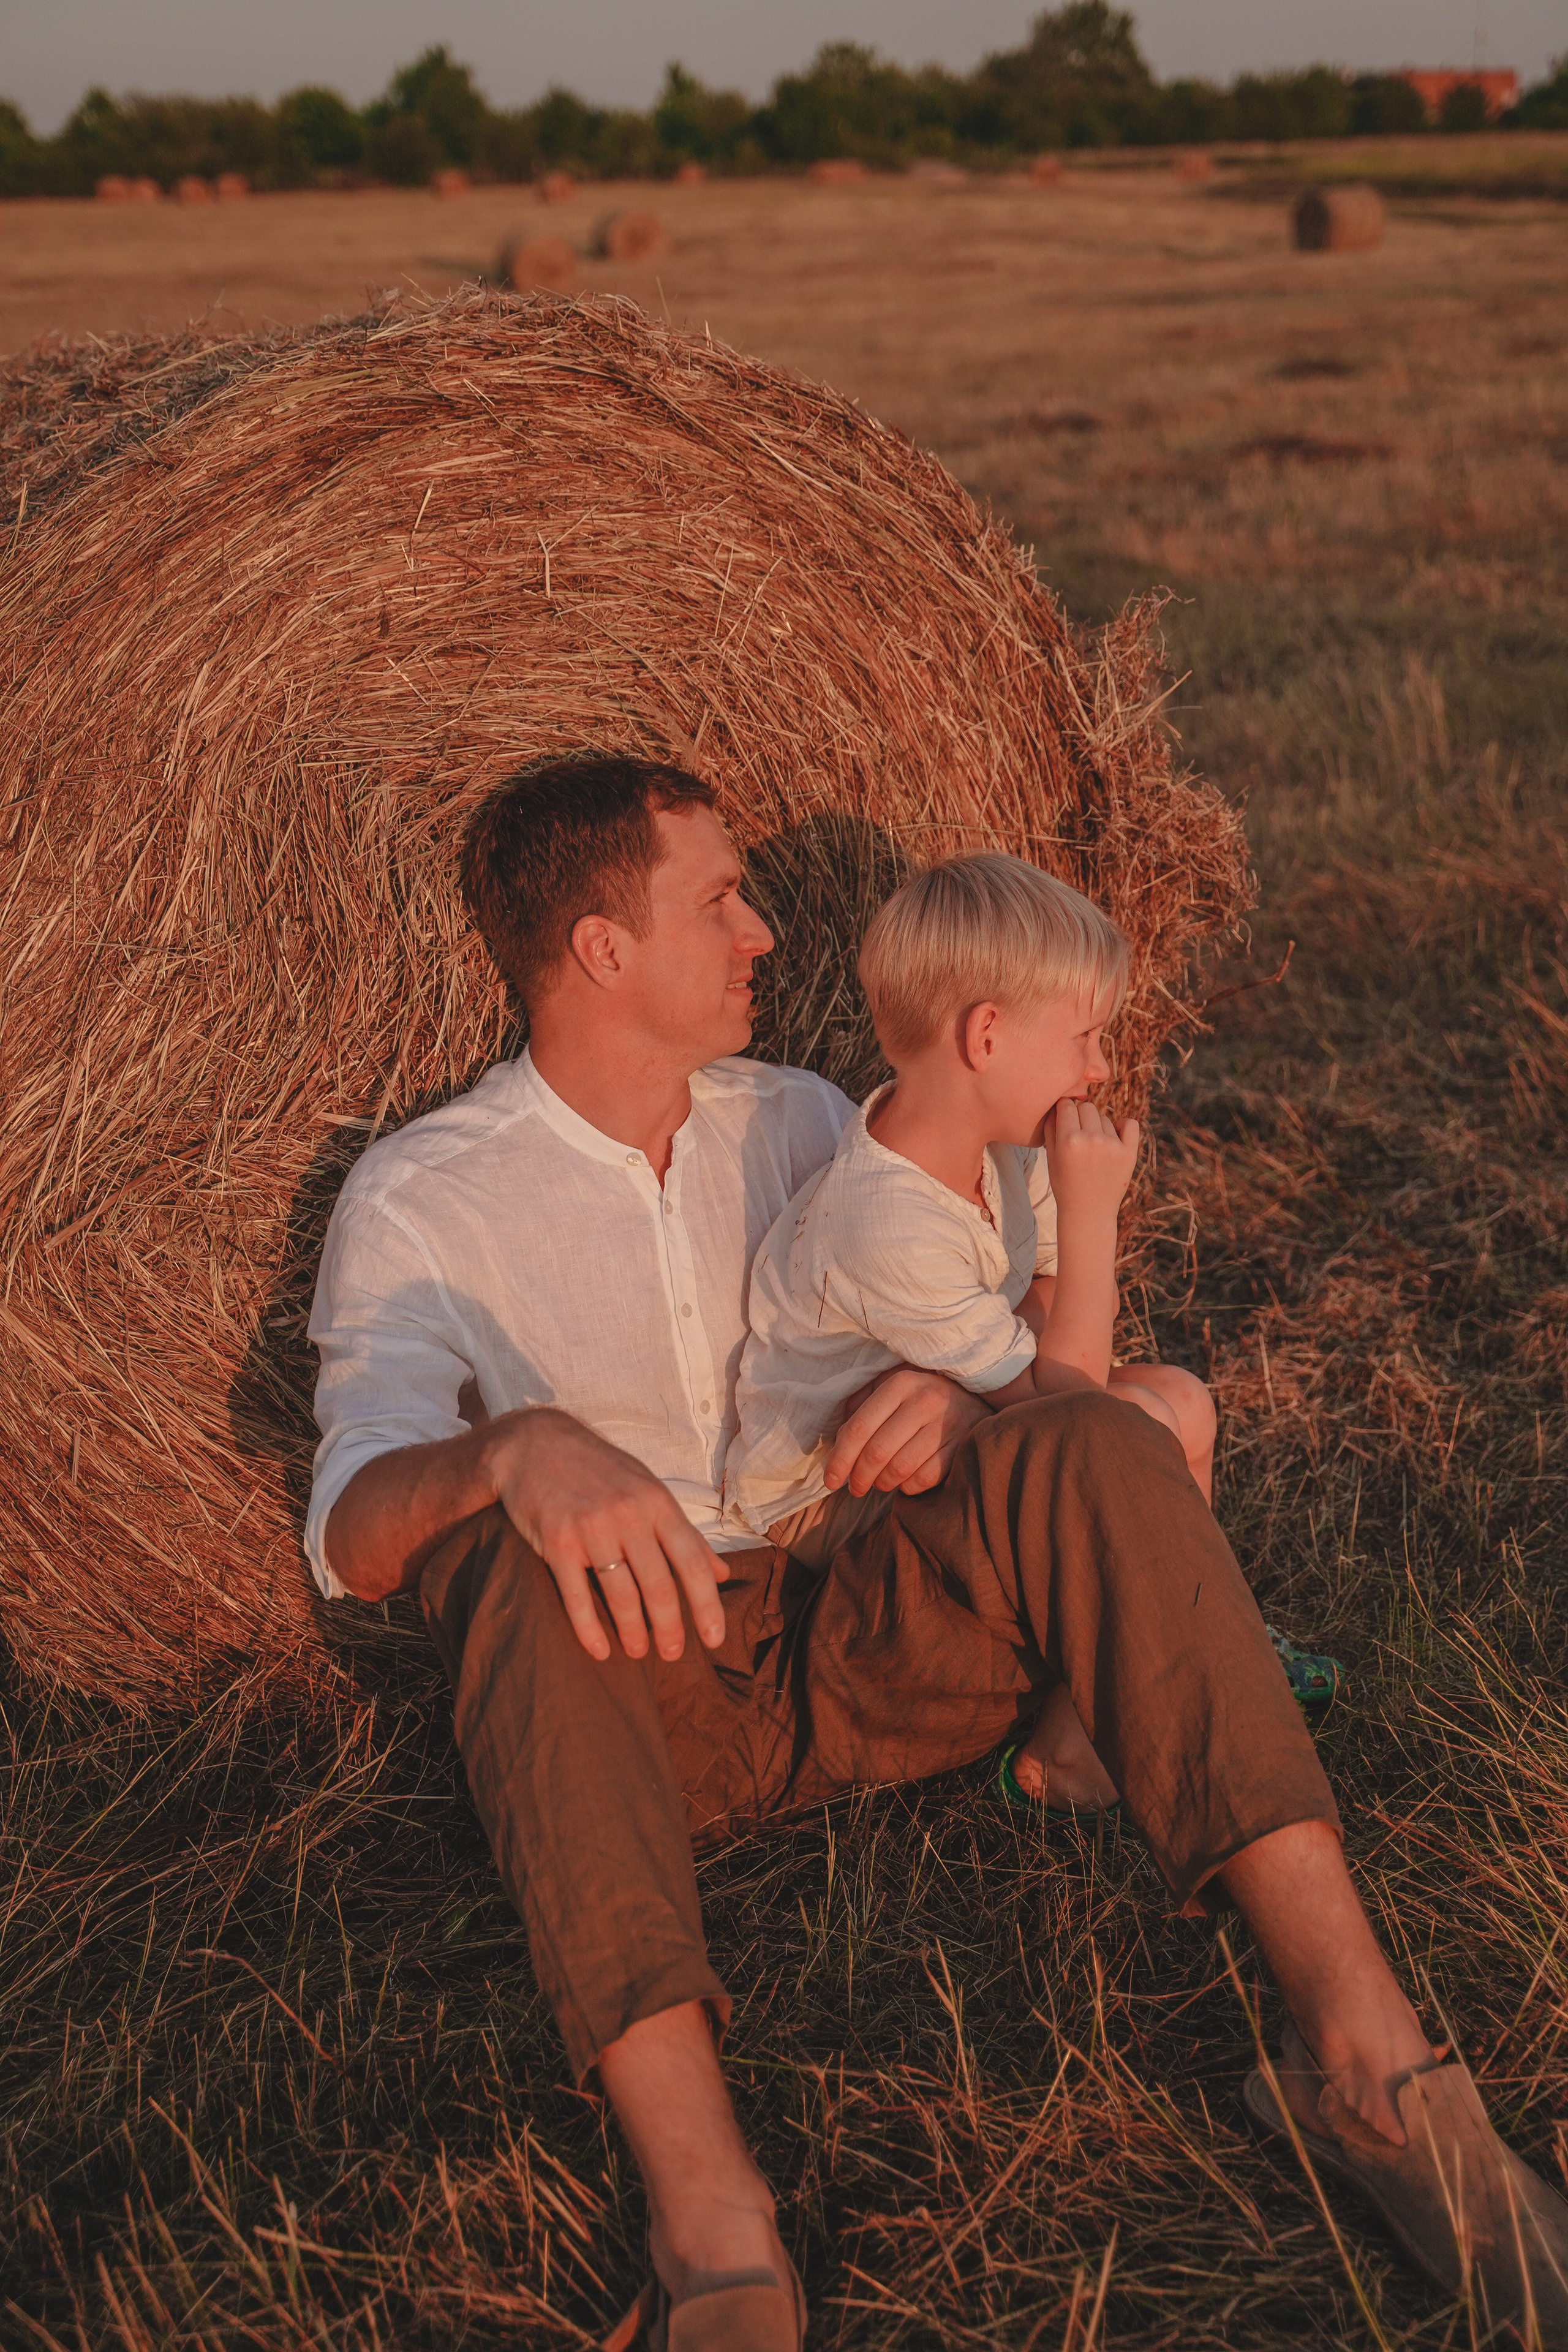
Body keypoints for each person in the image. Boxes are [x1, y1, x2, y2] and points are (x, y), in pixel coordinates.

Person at [306, 755, 1568, 2352]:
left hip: (872, 1629)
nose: (766, 931)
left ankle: (1373, 2073)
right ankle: (716, 2228)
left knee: (1097, 1437)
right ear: (602, 949)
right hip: (638, 1702)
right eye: (719, 902)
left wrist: (961, 1412)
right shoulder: (427, 1200)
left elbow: (981, 1354)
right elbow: (349, 1534)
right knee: (491, 1555)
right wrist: (510, 1451)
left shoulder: (807, 1122)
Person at [725, 851, 1215, 1815]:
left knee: (1181, 1402)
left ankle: (1128, 1686)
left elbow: (1043, 1320)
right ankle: (1108, 1716)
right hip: (831, 1499)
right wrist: (1093, 1218)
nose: (1100, 1070)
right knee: (1145, 1430)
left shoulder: (998, 1152)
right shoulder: (885, 1221)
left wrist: (986, 1375)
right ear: (986, 1036)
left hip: (935, 1429)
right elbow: (1076, 1408)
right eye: (1083, 1038)